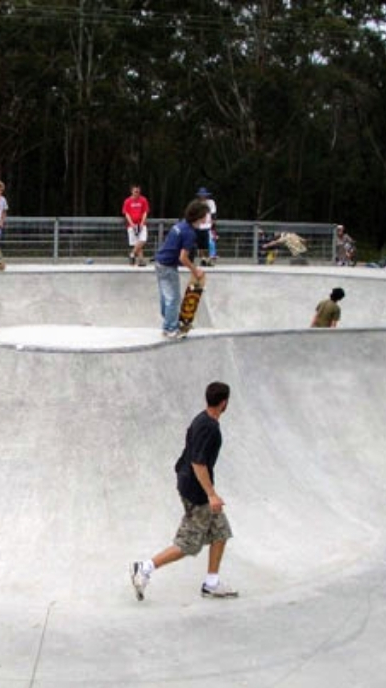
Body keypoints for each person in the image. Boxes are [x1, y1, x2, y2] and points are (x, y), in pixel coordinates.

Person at [131, 381, 237, 600]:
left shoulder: (201, 419)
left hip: (188, 481)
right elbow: (199, 463)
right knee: (188, 544)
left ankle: (211, 584)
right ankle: (144, 568)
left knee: (221, 532)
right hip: (197, 492)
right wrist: (211, 494)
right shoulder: (209, 428)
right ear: (224, 403)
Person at [154, 200, 210, 338]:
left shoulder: (180, 225)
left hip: (159, 263)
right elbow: (183, 257)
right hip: (168, 267)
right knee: (173, 298)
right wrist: (195, 270)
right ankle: (170, 328)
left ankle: (168, 323)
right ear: (199, 216)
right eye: (205, 215)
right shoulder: (189, 233)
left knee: (166, 297)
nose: (206, 218)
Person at [122, 185, 150, 267]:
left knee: (143, 239)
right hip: (132, 225)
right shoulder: (127, 201)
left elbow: (145, 212)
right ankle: (141, 260)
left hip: (141, 224)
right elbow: (126, 213)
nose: (136, 193)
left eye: (138, 191)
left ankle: (132, 254)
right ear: (132, 191)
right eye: (135, 191)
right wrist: (131, 224)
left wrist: (142, 222)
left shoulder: (143, 200)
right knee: (136, 243)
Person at [194, 187, 217, 266]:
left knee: (209, 243)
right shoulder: (197, 204)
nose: (202, 197)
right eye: (201, 195)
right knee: (200, 244)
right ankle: (203, 259)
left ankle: (209, 259)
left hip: (208, 226)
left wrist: (213, 226)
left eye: (204, 195)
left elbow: (213, 214)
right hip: (199, 226)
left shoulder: (211, 202)